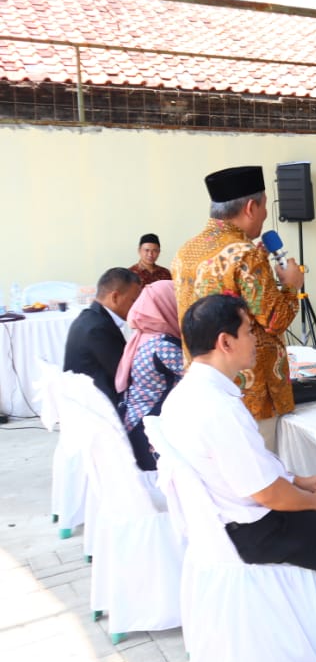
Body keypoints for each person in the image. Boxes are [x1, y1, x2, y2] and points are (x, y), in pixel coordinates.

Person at [160, 294, 316, 626]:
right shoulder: (217, 409)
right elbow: (267, 494)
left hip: (232, 516)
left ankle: (294, 607)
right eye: (249, 331)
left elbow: (245, 466)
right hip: (259, 528)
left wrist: (297, 480)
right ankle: (291, 629)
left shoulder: (187, 393)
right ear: (225, 342)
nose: (256, 339)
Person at [172, 165, 303, 451]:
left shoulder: (186, 251)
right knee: (260, 476)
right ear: (251, 207)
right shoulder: (244, 254)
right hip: (250, 394)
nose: (266, 215)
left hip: (204, 385)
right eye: (265, 206)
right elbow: (275, 319)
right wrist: (292, 286)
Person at [117, 280, 183, 471]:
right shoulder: (163, 345)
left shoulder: (144, 335)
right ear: (166, 305)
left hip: (134, 421)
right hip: (147, 432)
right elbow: (200, 379)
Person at [64, 267, 142, 408]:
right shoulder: (98, 328)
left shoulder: (90, 317)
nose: (137, 307)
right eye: (133, 300)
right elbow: (124, 374)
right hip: (96, 408)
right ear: (115, 297)